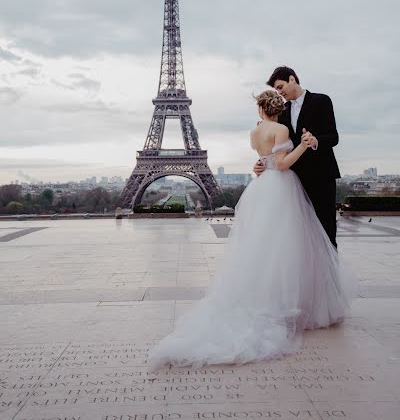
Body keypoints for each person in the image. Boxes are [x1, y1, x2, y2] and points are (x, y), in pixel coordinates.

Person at [148, 90, 354, 368]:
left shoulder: (255, 132)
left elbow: (266, 161)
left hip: (261, 189)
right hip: (281, 188)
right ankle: (290, 301)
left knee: (262, 248)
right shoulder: (281, 128)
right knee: (288, 247)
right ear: (278, 108)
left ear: (261, 109)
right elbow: (281, 164)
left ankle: (266, 299)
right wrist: (303, 146)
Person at [254, 66, 340, 248]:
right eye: (276, 89)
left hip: (321, 178)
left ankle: (329, 277)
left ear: (292, 79)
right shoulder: (282, 112)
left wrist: (314, 140)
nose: (279, 92)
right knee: (299, 237)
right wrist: (261, 163)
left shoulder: (321, 101)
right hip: (294, 181)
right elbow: (275, 147)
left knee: (326, 232)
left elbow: (333, 137)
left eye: (280, 86)